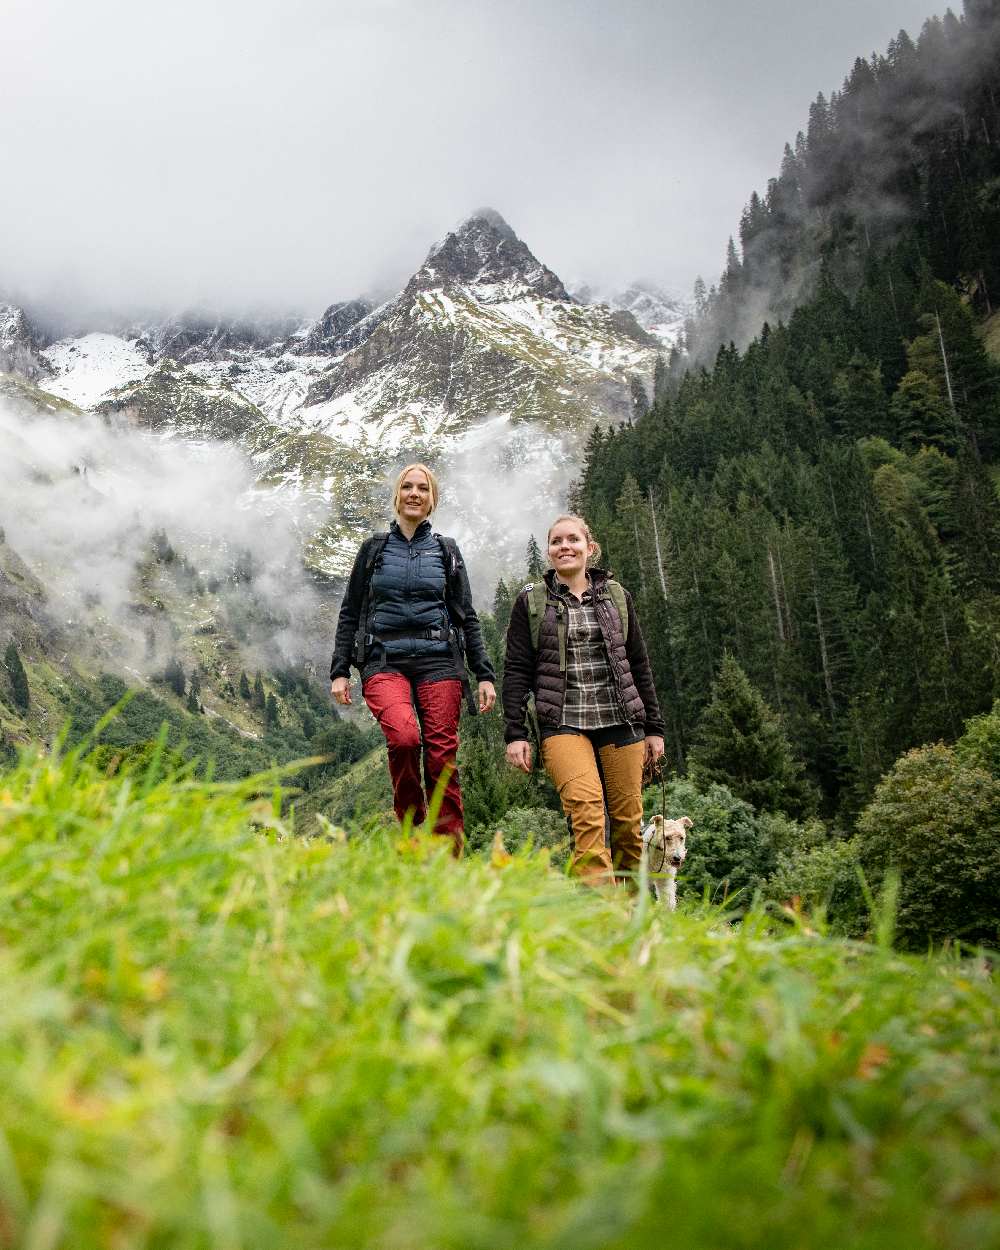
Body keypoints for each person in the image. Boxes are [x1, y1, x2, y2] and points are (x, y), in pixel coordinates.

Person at [330, 463, 496, 856]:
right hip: (383, 660)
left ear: (432, 500)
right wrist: (340, 670)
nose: (415, 493)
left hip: (440, 661)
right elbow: (349, 611)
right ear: (397, 495)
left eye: (423, 488)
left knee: (441, 758)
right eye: (408, 486)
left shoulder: (446, 551)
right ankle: (411, 822)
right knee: (404, 738)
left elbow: (465, 616)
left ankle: (448, 857)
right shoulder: (373, 550)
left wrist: (484, 673)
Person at [502, 514, 665, 885]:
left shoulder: (617, 597)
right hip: (563, 722)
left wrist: (654, 727)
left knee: (627, 825)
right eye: (556, 541)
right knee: (587, 814)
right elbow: (515, 670)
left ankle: (631, 918)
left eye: (572, 540)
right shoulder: (531, 601)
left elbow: (639, 663)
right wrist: (515, 733)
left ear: (589, 548)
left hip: (621, 719)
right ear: (549, 551)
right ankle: (602, 916)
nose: (564, 547)